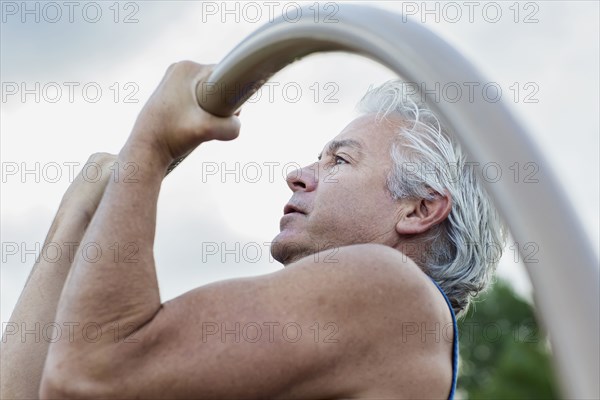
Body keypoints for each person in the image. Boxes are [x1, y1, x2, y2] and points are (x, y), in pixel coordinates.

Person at [1, 62, 505, 399]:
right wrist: (79, 216)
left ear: (420, 210)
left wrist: (149, 145)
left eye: (341, 159)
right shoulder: (371, 329)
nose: (300, 173)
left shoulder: (394, 291)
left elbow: (88, 378)